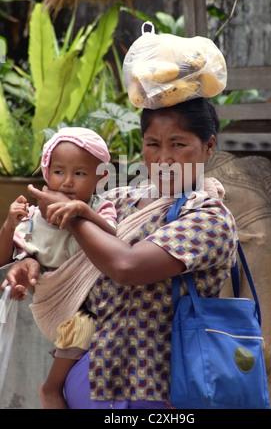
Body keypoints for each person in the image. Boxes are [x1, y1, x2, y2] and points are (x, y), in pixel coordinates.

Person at [2, 97, 238, 409]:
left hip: (161, 386)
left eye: (178, 144)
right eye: (153, 144)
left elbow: (126, 266)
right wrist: (28, 260)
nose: (164, 158)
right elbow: (61, 251)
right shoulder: (119, 201)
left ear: (208, 147)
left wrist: (73, 216)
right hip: (90, 374)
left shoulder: (208, 218)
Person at [0, 127, 117, 409]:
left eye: (79, 174)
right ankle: (51, 388)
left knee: (86, 328)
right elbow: (11, 257)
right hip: (55, 303)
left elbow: (113, 240)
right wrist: (9, 224)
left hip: (90, 298)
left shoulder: (102, 208)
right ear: (46, 172)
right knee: (81, 328)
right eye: (58, 172)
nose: (66, 183)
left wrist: (83, 212)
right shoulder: (34, 217)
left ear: (101, 176)